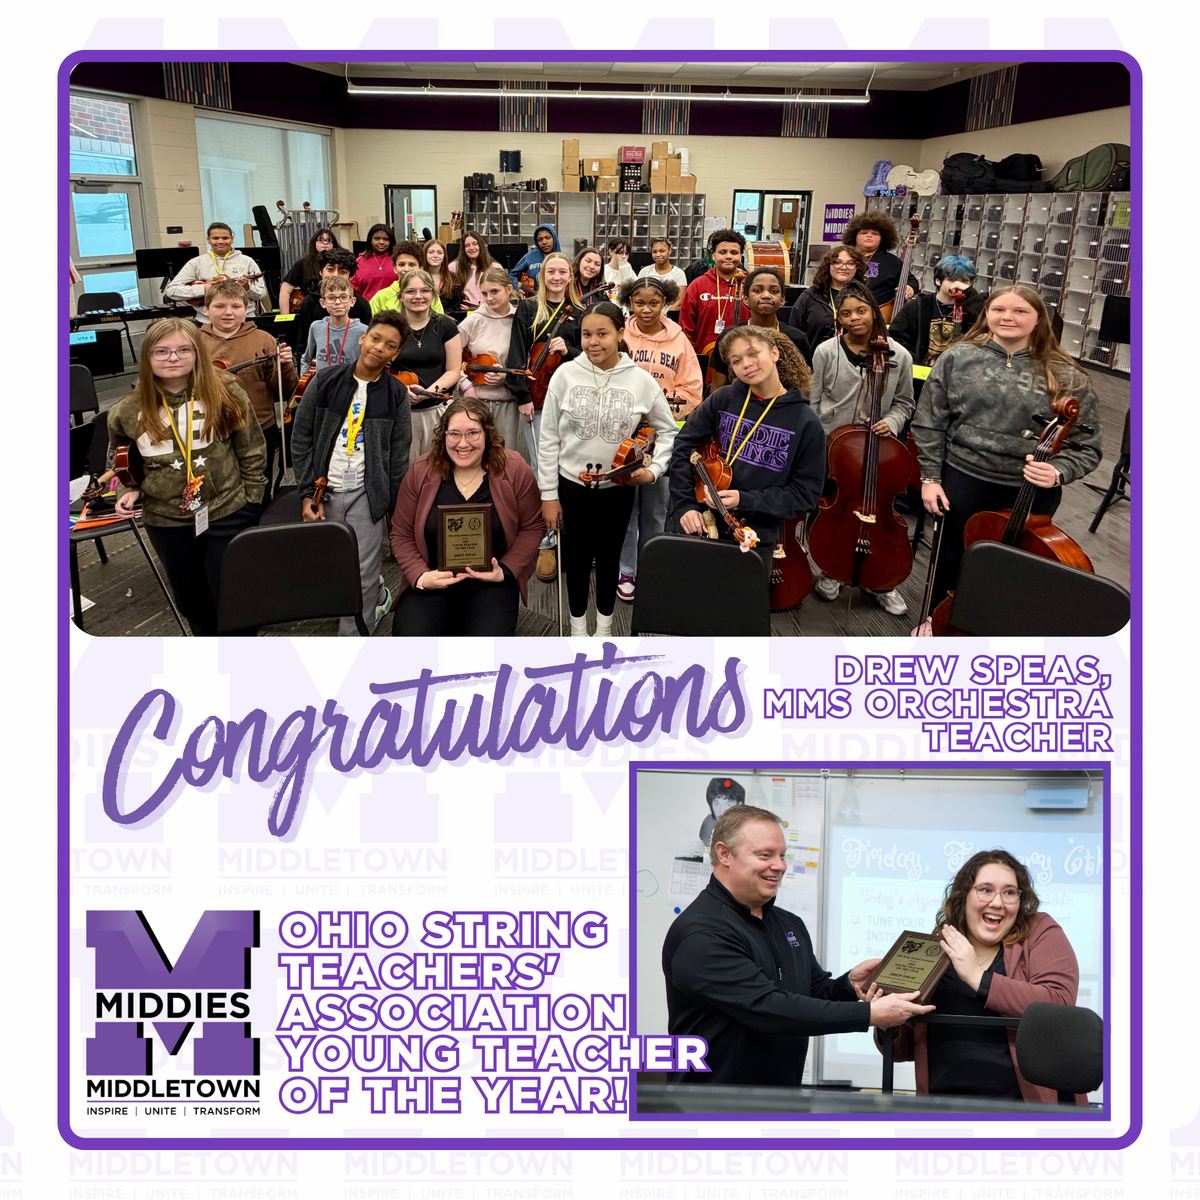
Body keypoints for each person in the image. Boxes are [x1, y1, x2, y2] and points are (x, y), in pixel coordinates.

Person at [661, 805, 934, 1087]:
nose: (779, 865)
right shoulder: (701, 933)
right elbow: (767, 1007)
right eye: (764, 855)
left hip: (781, 1103)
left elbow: (812, 990)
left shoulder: (789, 924)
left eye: (781, 855)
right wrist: (869, 1015)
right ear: (724, 853)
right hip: (714, 1111)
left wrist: (847, 985)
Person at [911, 284, 1103, 621]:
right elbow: (929, 421)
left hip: (1029, 492)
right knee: (951, 558)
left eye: (1020, 311)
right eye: (999, 309)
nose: (1007, 317)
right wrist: (929, 476)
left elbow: (1087, 447)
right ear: (987, 313)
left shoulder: (1068, 375)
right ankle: (936, 621)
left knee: (1015, 570)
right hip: (964, 478)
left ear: (1039, 318)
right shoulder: (957, 357)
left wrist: (1059, 472)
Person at [877, 849, 1087, 1104]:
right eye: (985, 890)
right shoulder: (936, 949)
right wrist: (885, 1021)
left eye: (1009, 892)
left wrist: (978, 977)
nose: (997, 902)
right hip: (942, 1117)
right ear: (963, 896)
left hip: (1023, 1117)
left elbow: (1059, 1004)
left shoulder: (1040, 931)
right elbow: (903, 1048)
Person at [106, 318, 266, 636]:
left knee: (234, 596)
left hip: (227, 509)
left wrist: (253, 499)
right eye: (162, 351)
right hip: (166, 520)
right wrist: (130, 488)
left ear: (197, 353)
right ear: (146, 357)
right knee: (192, 600)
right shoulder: (126, 409)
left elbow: (250, 446)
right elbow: (123, 460)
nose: (173, 357)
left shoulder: (225, 390)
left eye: (183, 349)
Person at [538, 302, 677, 637]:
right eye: (587, 334)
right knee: (577, 558)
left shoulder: (641, 381)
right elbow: (548, 439)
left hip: (618, 488)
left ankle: (603, 629)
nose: (593, 342)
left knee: (610, 557)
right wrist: (548, 495)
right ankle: (576, 629)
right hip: (572, 486)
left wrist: (654, 469)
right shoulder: (565, 374)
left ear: (619, 333)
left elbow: (669, 430)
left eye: (602, 333)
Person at [291, 311, 412, 637]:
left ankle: (353, 642)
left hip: (366, 494)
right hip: (323, 490)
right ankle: (377, 594)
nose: (379, 348)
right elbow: (301, 437)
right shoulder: (325, 380)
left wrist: (392, 507)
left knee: (363, 572)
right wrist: (305, 491)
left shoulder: (396, 394)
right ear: (362, 337)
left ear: (395, 354)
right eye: (375, 339)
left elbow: (399, 455)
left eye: (390, 345)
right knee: (331, 566)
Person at [668, 326, 824, 568]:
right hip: (702, 521)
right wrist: (685, 505)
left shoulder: (806, 422)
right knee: (692, 597)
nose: (747, 364)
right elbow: (683, 446)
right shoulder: (723, 398)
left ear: (774, 353)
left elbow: (805, 495)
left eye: (753, 353)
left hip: (755, 536)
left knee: (740, 603)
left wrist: (745, 499)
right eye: (736, 360)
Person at [389, 397, 544, 637]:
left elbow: (533, 526)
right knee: (411, 641)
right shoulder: (421, 470)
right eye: (454, 434)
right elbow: (401, 532)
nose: (463, 444)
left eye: (473, 433)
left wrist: (505, 570)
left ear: (487, 434)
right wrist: (420, 576)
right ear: (444, 436)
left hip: (491, 580)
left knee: (488, 649)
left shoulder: (514, 468)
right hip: (434, 576)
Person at [807, 279, 915, 615]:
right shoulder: (826, 351)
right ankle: (830, 568)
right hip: (834, 448)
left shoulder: (899, 355)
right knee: (829, 509)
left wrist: (892, 422)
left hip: (878, 449)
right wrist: (817, 440)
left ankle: (882, 580)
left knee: (878, 513)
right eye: (846, 313)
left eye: (861, 311)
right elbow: (812, 401)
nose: (855, 318)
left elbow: (905, 402)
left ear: (874, 312)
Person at [615, 275, 703, 602]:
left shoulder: (680, 341)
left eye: (654, 303)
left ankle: (650, 564)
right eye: (639, 303)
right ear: (629, 303)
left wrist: (661, 407)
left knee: (655, 508)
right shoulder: (621, 334)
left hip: (663, 435)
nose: (647, 309)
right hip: (623, 434)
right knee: (625, 508)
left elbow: (692, 389)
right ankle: (626, 568)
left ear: (665, 302)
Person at [506, 251, 584, 581]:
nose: (555, 276)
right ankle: (548, 536)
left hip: (571, 402)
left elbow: (592, 357)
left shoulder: (580, 312)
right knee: (542, 468)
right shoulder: (527, 308)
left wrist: (571, 351)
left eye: (562, 271)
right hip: (536, 399)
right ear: (542, 276)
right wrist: (522, 395)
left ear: (570, 276)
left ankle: (572, 532)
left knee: (572, 466)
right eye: (550, 271)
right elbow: (517, 354)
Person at [197, 278, 297, 503]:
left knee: (260, 483)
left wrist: (285, 365)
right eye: (219, 306)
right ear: (206, 308)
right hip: (209, 427)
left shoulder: (264, 339)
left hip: (260, 426)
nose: (228, 313)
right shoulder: (194, 341)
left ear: (247, 308)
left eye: (236, 306)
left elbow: (282, 388)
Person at [389, 268, 463, 464]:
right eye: (411, 291)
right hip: (401, 413)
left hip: (437, 410)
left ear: (433, 293)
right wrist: (400, 390)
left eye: (424, 290)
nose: (418, 296)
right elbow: (378, 370)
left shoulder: (446, 325)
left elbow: (454, 370)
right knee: (406, 471)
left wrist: (427, 392)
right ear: (401, 296)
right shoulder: (390, 327)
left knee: (439, 469)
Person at [707, 267, 814, 394]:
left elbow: (804, 386)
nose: (766, 296)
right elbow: (718, 387)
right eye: (758, 290)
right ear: (745, 299)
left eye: (774, 291)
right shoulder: (728, 336)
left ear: (782, 300)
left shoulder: (797, 338)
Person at [457, 266, 522, 451]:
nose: (489, 298)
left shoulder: (519, 320)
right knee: (474, 455)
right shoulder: (472, 321)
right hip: (476, 401)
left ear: (509, 289)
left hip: (508, 402)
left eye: (495, 291)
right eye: (484, 293)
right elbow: (451, 359)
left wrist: (506, 376)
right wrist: (466, 386)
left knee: (505, 455)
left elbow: (524, 360)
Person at [889, 255, 987, 370]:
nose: (958, 285)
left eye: (965, 281)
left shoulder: (972, 308)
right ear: (938, 280)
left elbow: (983, 331)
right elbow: (896, 339)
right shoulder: (917, 306)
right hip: (919, 373)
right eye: (952, 279)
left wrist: (971, 294)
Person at [164, 222, 267, 324]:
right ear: (208, 240)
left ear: (232, 239)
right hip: (207, 322)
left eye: (225, 238)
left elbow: (261, 294)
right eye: (215, 238)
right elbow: (171, 291)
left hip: (243, 321)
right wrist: (204, 289)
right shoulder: (196, 263)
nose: (220, 241)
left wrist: (247, 289)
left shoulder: (247, 261)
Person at [292, 248, 372, 357]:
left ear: (351, 276)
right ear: (321, 272)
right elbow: (303, 345)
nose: (335, 275)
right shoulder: (309, 303)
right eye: (330, 269)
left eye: (342, 271)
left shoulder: (361, 304)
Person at [788, 245, 869, 351]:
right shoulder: (809, 297)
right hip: (812, 362)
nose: (844, 267)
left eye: (850, 263)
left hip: (855, 363)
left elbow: (877, 331)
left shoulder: (865, 297)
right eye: (837, 262)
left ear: (857, 267)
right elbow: (794, 336)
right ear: (828, 266)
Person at [680, 229, 747, 358]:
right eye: (722, 252)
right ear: (713, 255)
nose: (728, 256)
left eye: (734, 252)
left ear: (740, 256)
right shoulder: (697, 285)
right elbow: (686, 326)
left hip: (745, 356)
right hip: (706, 354)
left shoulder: (751, 284)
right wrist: (692, 357)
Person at [839, 211, 919, 309]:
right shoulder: (842, 257)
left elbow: (911, 280)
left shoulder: (892, 261)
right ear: (854, 236)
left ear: (882, 238)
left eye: (875, 233)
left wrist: (910, 287)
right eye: (864, 233)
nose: (869, 236)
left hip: (881, 313)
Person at [300, 274, 368, 375]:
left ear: (352, 301)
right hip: (321, 387)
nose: (337, 302)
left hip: (349, 386)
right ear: (323, 303)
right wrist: (304, 385)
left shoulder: (363, 331)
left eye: (343, 297)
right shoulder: (316, 327)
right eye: (331, 298)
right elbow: (306, 359)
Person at [370, 242, 446, 317]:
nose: (406, 269)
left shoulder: (428, 294)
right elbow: (372, 325)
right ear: (394, 268)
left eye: (412, 265)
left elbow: (440, 322)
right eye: (401, 264)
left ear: (420, 268)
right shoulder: (381, 296)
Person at [278, 226, 336, 315]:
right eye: (321, 240)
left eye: (329, 241)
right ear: (314, 243)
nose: (325, 243)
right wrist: (285, 318)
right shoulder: (303, 263)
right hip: (310, 311)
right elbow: (285, 290)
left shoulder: (339, 264)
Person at [638, 237, 687, 313]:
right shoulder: (645, 272)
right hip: (648, 314)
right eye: (654, 252)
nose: (658, 255)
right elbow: (639, 296)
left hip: (670, 318)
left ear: (669, 251)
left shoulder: (679, 273)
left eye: (662, 251)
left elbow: (679, 301)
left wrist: (665, 318)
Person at [352, 224, 397, 302]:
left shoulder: (398, 260)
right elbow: (354, 290)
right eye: (377, 239)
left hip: (395, 307)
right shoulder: (359, 262)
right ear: (370, 240)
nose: (381, 242)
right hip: (367, 308)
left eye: (386, 239)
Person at [421, 237, 464, 320]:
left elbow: (456, 306)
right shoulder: (418, 278)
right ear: (425, 254)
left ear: (444, 256)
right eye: (431, 252)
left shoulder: (454, 279)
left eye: (440, 253)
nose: (435, 256)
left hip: (446, 322)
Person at [450, 233, 494, 312]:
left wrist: (477, 308)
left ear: (481, 245)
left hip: (490, 314)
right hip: (463, 316)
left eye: (475, 244)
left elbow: (501, 298)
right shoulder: (454, 267)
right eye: (467, 245)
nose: (471, 248)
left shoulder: (494, 267)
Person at [509, 224, 559, 293]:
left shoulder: (564, 260)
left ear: (554, 238)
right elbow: (512, 275)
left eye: (548, 238)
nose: (544, 242)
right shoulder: (530, 257)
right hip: (532, 301)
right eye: (540, 240)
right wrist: (517, 289)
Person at [603, 238, 637, 305]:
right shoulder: (603, 270)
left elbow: (635, 292)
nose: (624, 256)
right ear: (611, 252)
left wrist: (626, 272)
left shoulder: (629, 270)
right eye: (620, 253)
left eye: (626, 253)